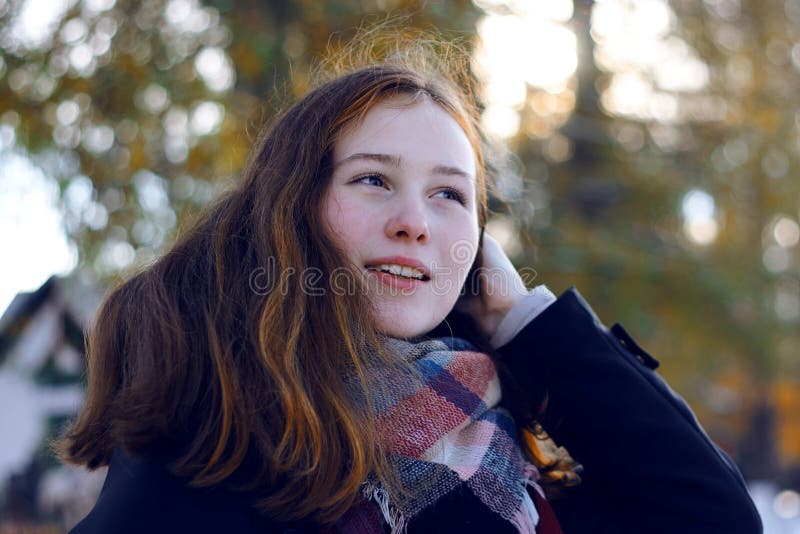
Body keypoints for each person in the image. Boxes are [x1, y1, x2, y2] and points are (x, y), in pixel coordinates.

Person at [56, 34, 762, 533]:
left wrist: (522, 319)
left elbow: (714, 517)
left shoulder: (511, 453)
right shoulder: (211, 438)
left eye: (450, 196)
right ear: (292, 206)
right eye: (373, 180)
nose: (414, 222)